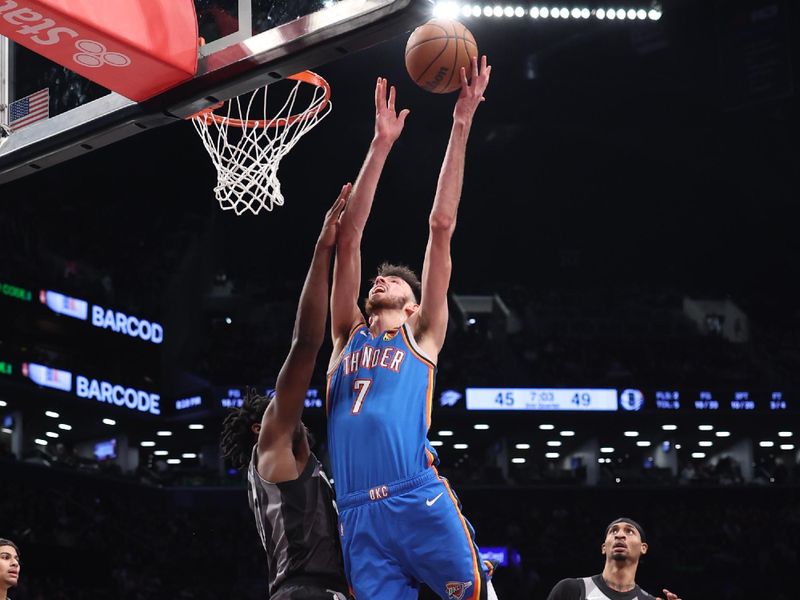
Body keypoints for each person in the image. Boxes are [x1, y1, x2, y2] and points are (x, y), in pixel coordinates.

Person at [326, 57, 496, 600]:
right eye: (376, 279)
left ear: (414, 303)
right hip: (356, 513)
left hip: (414, 495)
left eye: (392, 280)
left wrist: (462, 120)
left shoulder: (421, 335)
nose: (379, 279)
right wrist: (380, 144)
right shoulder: (344, 336)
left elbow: (440, 225)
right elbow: (349, 238)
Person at [220, 185, 352, 600]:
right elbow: (306, 343)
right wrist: (322, 250)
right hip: (304, 592)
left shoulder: (301, 470)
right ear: (262, 425)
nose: (294, 413)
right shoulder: (274, 441)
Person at [546, 518, 681, 600]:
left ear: (643, 548)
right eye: (613, 531)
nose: (620, 535)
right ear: (604, 547)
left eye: (629, 531)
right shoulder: (571, 590)